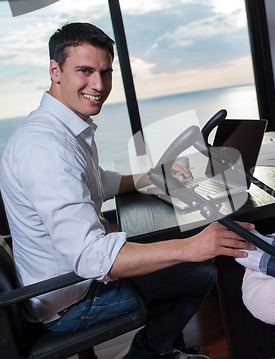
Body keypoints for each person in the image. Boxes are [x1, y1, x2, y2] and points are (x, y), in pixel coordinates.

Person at [0, 22, 255, 359]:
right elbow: (92, 257)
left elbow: (96, 182)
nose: (99, 85)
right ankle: (147, 354)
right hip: (70, 302)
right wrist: (192, 247)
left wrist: (148, 176)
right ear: (55, 70)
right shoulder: (46, 148)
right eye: (85, 71)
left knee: (163, 253)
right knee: (201, 272)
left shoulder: (59, 128)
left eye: (105, 73)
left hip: (63, 283)